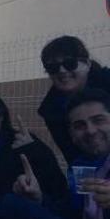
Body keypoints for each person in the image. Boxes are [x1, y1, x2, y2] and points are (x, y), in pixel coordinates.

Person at [62, 89, 110, 219]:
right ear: (71, 134)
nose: (90, 130)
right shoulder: (78, 167)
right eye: (79, 125)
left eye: (98, 120)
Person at [38, 35, 110, 163]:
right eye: (53, 67)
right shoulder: (51, 110)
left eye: (70, 64)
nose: (62, 70)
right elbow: (71, 154)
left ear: (87, 64)